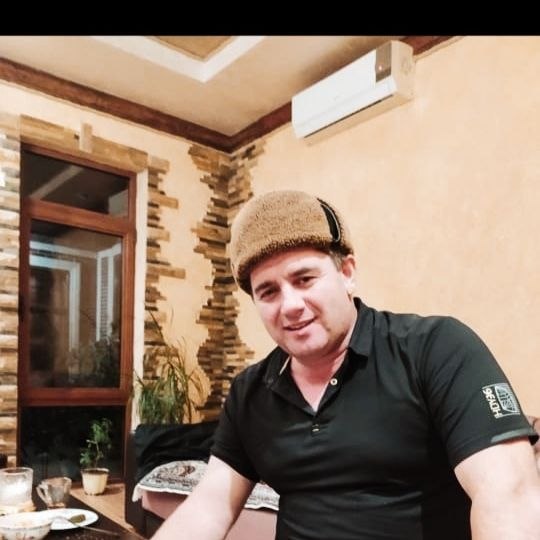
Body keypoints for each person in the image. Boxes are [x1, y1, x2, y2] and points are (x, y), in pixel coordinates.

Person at [152, 190, 540, 540]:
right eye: (268, 292)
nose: (290, 305)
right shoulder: (250, 391)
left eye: (304, 279)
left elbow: (508, 496)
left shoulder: (436, 348)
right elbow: (211, 504)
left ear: (347, 274)